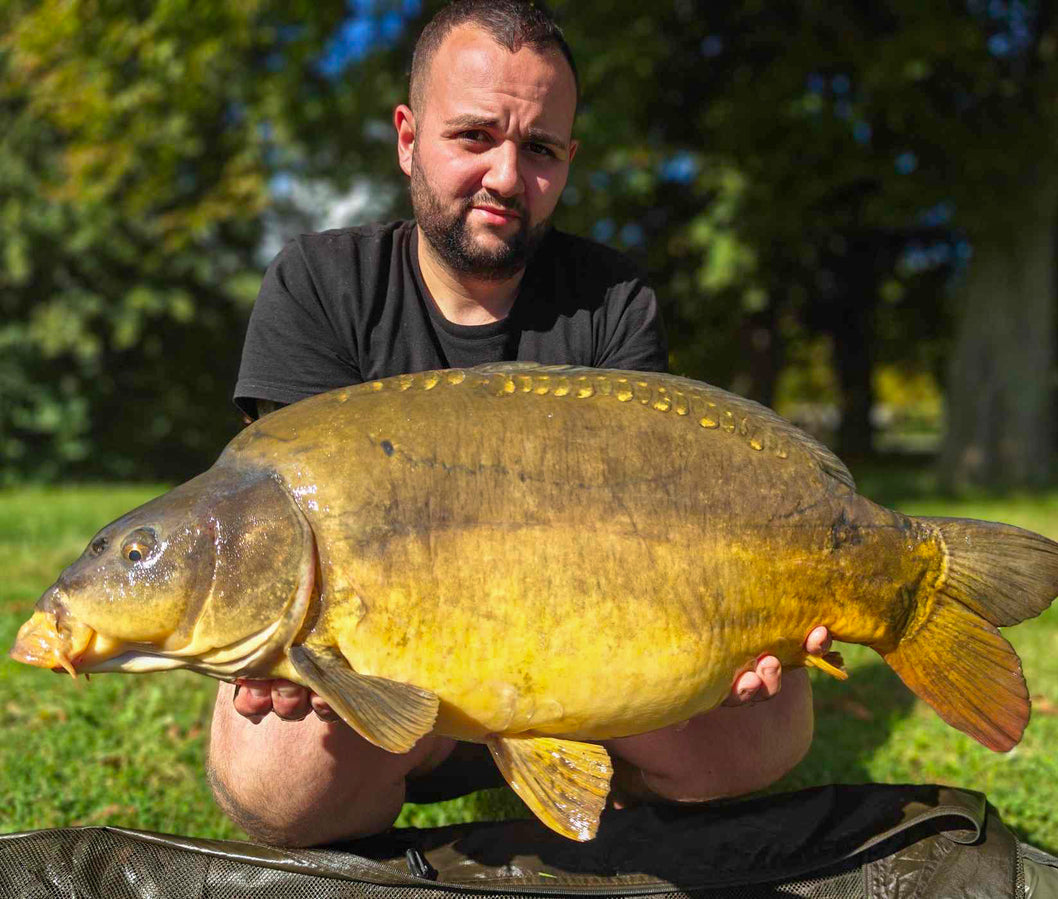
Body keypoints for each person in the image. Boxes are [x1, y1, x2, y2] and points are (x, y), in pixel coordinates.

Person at [206, 0, 831, 847]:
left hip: (587, 666)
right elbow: (279, 528)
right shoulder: (321, 285)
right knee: (273, 779)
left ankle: (617, 786)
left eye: (538, 149)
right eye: (473, 137)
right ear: (406, 137)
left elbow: (659, 524)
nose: (506, 175)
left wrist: (721, 640)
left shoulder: (612, 299)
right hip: (389, 686)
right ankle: (379, 827)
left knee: (770, 723)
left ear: (568, 161)